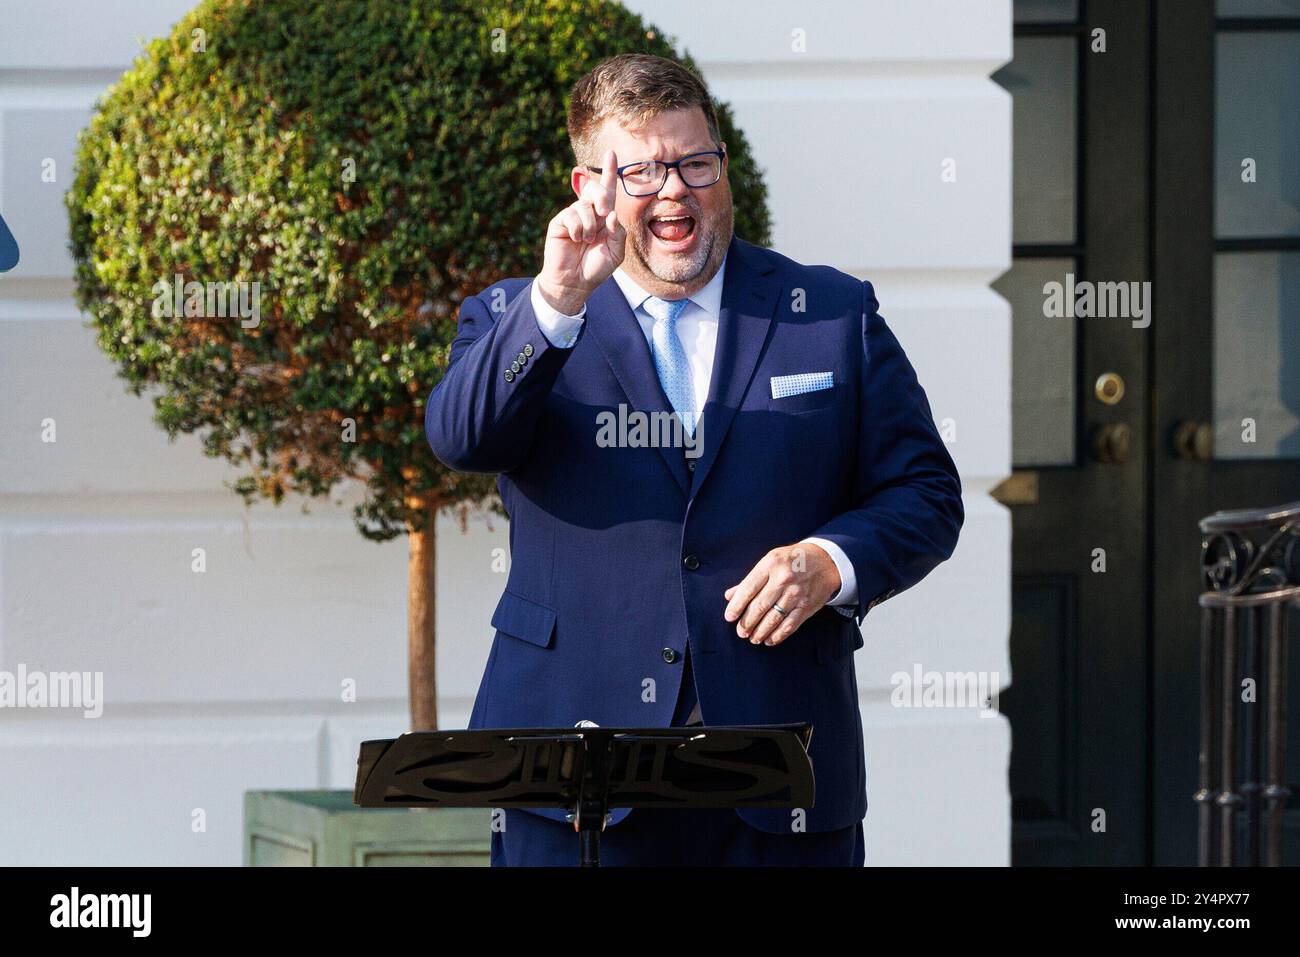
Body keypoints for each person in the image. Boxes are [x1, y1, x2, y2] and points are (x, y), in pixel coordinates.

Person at [425, 52, 963, 866]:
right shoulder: (520, 315)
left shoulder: (830, 314)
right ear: (588, 190)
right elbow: (462, 440)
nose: (674, 190)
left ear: (723, 167)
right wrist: (557, 303)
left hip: (779, 772)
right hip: (573, 781)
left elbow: (926, 492)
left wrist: (830, 561)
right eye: (640, 171)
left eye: (694, 162)